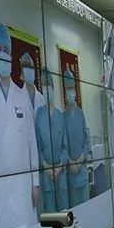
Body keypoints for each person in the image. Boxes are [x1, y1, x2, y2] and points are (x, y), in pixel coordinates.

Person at [0, 23, 40, 228]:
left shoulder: (21, 96)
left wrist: (36, 183)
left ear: (11, 55)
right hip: (0, 190)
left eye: (6, 49)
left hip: (24, 186)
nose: (2, 53)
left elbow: (31, 143)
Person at [36, 68, 69, 213]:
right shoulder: (39, 115)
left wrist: (60, 166)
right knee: (51, 216)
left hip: (61, 175)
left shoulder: (60, 116)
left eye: (49, 84)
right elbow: (37, 147)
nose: (47, 88)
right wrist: (46, 167)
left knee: (64, 214)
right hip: (47, 175)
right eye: (44, 85)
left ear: (53, 88)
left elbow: (65, 147)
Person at [63, 70, 90, 207]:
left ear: (75, 90)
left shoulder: (81, 114)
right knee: (75, 211)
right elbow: (62, 144)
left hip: (82, 170)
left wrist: (79, 161)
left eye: (72, 88)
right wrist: (70, 161)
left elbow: (87, 141)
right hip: (71, 172)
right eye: (67, 89)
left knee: (86, 208)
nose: (70, 92)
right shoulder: (63, 116)